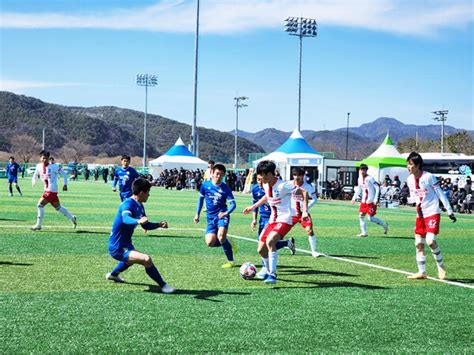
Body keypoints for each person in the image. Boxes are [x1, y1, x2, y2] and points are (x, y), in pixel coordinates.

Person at [106, 178, 175, 293]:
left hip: (126, 244)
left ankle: (113, 275)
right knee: (146, 259)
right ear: (142, 193)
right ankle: (163, 285)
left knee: (130, 260)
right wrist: (137, 221)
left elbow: (146, 225)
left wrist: (158, 225)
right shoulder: (128, 204)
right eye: (148, 192)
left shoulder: (140, 205)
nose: (149, 195)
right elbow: (125, 218)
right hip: (117, 247)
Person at [243, 160, 308, 284]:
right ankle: (267, 270)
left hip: (285, 219)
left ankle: (272, 274)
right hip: (273, 220)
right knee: (261, 249)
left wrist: (304, 211)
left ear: (269, 174)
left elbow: (304, 192)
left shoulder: (283, 185)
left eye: (262, 175)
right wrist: (253, 207)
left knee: (270, 241)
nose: (260, 178)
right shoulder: (266, 184)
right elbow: (267, 196)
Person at [406, 152, 456, 280]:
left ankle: (441, 267)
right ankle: (422, 272)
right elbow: (414, 196)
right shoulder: (409, 179)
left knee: (430, 241)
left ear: (417, 166)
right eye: (407, 164)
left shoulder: (429, 177)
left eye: (410, 164)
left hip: (432, 212)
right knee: (418, 244)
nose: (408, 167)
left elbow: (440, 193)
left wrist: (449, 211)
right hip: (420, 215)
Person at [194, 163, 237, 269]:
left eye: (221, 175)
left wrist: (226, 213)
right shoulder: (205, 185)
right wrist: (197, 214)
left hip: (222, 216)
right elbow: (200, 200)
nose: (219, 177)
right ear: (212, 173)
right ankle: (228, 243)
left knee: (221, 236)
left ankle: (230, 261)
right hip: (210, 218)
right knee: (210, 242)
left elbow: (233, 204)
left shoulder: (226, 188)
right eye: (217, 174)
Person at [31, 150, 76, 231]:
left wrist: (65, 184)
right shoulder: (38, 166)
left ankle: (38, 225)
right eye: (43, 158)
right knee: (58, 207)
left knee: (40, 205)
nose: (44, 160)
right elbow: (35, 174)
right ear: (40, 158)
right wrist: (34, 181)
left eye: (46, 158)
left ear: (48, 159)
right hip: (47, 190)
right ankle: (72, 218)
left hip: (51, 190)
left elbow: (64, 174)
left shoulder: (54, 166)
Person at [250, 173, 293, 253]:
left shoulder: (274, 187)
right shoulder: (255, 189)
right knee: (261, 242)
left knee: (268, 241)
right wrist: (254, 219)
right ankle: (286, 243)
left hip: (273, 218)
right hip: (262, 217)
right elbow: (255, 203)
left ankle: (267, 264)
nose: (260, 182)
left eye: (261, 179)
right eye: (258, 180)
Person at [351, 164, 388, 237]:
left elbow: (377, 188)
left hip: (371, 201)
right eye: (361, 170)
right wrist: (353, 198)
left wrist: (375, 199)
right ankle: (364, 232)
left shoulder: (370, 178)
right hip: (364, 201)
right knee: (361, 216)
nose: (362, 171)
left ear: (366, 170)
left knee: (370, 218)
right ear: (359, 170)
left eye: (364, 170)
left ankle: (384, 225)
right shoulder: (359, 179)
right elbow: (359, 189)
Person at [291, 167, 319, 257]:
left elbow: (314, 199)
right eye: (294, 175)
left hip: (303, 213)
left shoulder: (308, 187)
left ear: (303, 176)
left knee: (310, 230)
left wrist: (305, 208)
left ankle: (313, 251)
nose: (296, 177)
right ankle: (287, 243)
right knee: (278, 234)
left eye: (299, 175)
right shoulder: (288, 185)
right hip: (291, 213)